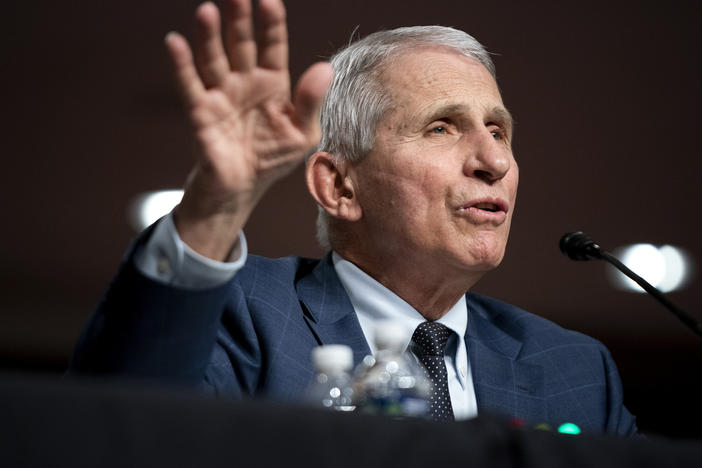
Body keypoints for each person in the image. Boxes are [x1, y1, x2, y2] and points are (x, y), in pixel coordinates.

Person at [69, 0, 637, 434]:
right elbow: (115, 430)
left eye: (498, 129)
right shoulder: (247, 314)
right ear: (339, 186)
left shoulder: (576, 371)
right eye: (441, 126)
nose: (493, 161)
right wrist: (216, 206)